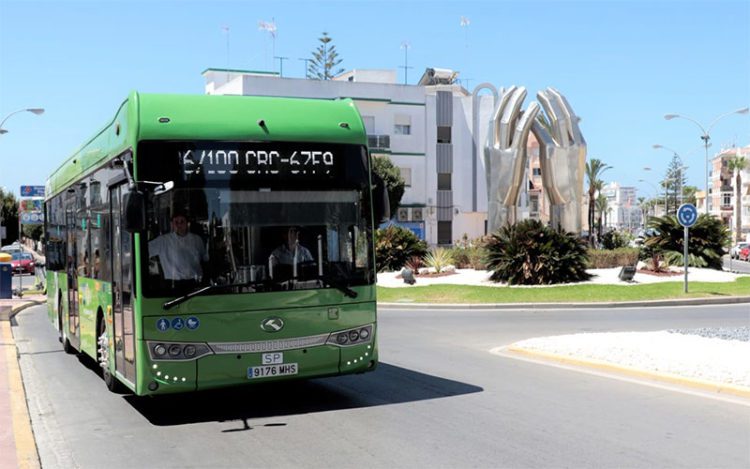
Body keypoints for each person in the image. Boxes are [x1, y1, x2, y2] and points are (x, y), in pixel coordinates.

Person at [148, 210, 208, 281]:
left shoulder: (197, 239)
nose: (179, 225)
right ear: (172, 224)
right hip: (174, 285)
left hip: (196, 283)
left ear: (187, 223)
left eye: (182, 222)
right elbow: (143, 250)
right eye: (176, 222)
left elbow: (204, 258)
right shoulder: (163, 241)